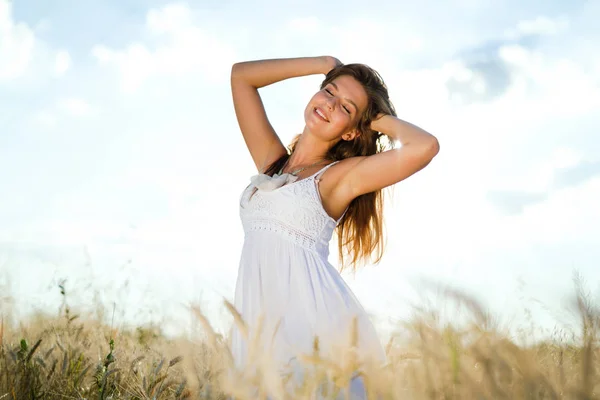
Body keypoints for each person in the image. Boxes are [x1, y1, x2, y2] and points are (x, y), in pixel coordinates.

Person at [229, 56, 439, 398]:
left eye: (345, 107)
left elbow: (425, 147)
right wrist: (323, 63)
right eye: (329, 91)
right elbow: (241, 77)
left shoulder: (338, 178)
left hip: (312, 326)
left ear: (353, 130)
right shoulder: (272, 163)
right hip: (260, 325)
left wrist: (376, 118)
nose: (328, 104)